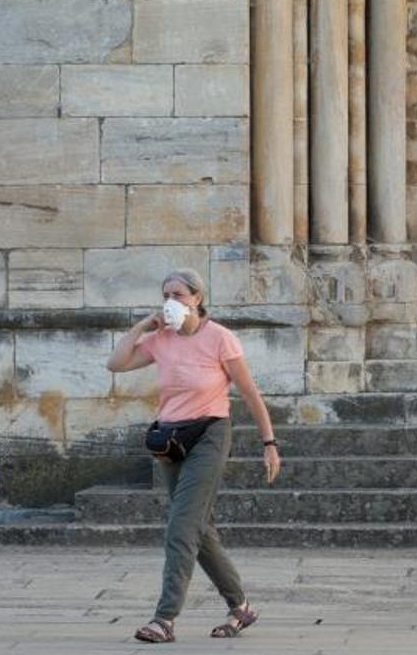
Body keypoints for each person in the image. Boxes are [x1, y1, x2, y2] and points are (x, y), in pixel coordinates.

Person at [106, 268, 281, 643]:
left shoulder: (220, 338)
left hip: (210, 434)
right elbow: (116, 364)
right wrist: (143, 326)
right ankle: (241, 607)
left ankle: (164, 619)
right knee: (199, 530)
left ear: (197, 298)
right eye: (166, 294)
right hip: (171, 440)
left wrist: (269, 443)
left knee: (181, 526)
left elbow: (250, 393)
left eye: (180, 294)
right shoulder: (161, 339)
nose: (172, 301)